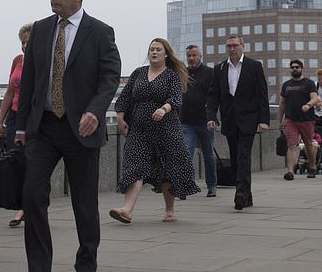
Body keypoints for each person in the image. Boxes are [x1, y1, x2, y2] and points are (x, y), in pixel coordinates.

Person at [15, 0, 122, 272]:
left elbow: (110, 77)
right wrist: (21, 126)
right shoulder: (41, 29)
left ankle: (86, 263)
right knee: (32, 194)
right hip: (44, 127)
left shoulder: (100, 32)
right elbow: (31, 82)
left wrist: (95, 110)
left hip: (81, 128)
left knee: (84, 203)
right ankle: (39, 266)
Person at [109, 39, 199, 223]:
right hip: (139, 129)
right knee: (134, 166)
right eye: (151, 49)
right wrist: (119, 116)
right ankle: (127, 210)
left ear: (166, 53)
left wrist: (164, 108)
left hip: (166, 129)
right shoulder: (139, 73)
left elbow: (176, 98)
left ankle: (169, 210)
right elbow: (125, 96)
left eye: (158, 49)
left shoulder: (172, 75)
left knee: (167, 168)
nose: (154, 52)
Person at [206, 34, 270, 211]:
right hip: (229, 120)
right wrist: (211, 116)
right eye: (229, 46)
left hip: (249, 118)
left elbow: (262, 95)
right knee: (235, 159)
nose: (232, 49)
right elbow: (213, 96)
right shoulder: (219, 69)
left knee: (243, 155)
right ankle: (246, 195)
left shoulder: (254, 66)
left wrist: (264, 120)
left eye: (235, 45)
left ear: (242, 46)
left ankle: (240, 193)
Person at [0, 22, 32, 227]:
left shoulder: (43, 62)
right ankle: (22, 204)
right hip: (15, 116)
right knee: (14, 162)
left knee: (30, 162)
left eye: (28, 42)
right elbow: (10, 91)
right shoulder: (18, 61)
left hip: (32, 118)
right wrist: (0, 120)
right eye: (23, 42)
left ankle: (27, 207)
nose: (25, 46)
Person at [180, 44, 218, 198]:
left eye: (194, 55)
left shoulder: (210, 73)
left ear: (200, 56)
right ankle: (184, 186)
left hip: (205, 122)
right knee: (185, 155)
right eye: (189, 56)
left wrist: (212, 117)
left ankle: (212, 186)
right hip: (186, 122)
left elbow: (214, 97)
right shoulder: (182, 73)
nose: (191, 58)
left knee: (208, 155)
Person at [279, 59, 321, 179]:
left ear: (301, 68)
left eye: (297, 67)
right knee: (291, 145)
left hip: (306, 119)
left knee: (308, 144)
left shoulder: (309, 83)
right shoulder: (286, 85)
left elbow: (315, 98)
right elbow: (282, 103)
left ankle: (312, 166)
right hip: (290, 119)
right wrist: (279, 120)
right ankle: (290, 171)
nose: (294, 69)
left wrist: (308, 105)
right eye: (292, 67)